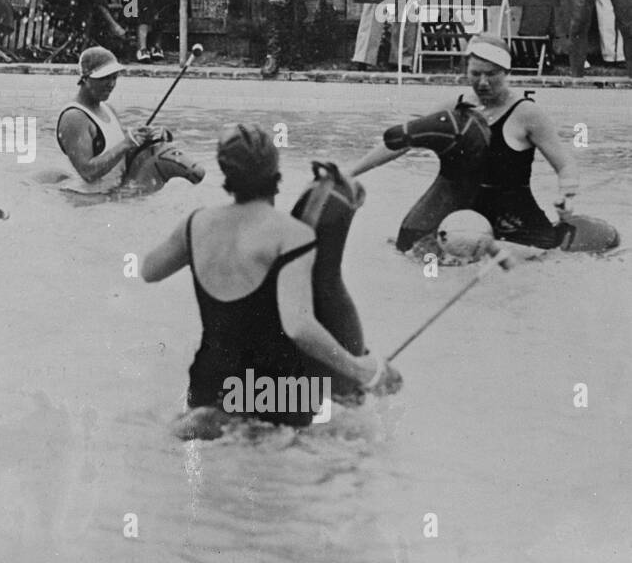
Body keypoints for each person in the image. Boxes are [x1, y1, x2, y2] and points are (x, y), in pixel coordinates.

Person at [143, 124, 400, 439]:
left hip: (208, 384)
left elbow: (148, 270)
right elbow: (299, 326)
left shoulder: (195, 223)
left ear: (226, 173)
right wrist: (365, 371)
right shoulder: (292, 234)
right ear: (275, 173)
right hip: (276, 393)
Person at [347, 34, 578, 250]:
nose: (483, 82)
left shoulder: (527, 113)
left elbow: (565, 164)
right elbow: (403, 142)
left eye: (492, 74)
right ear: (466, 70)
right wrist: (350, 173)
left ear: (506, 72)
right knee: (408, 251)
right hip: (461, 218)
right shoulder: (453, 107)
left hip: (513, 223)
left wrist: (566, 196)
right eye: (476, 74)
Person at [55, 46, 165, 193]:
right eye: (104, 78)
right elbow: (88, 173)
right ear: (85, 78)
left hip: (110, 196)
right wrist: (127, 143)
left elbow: (119, 157)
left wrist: (145, 140)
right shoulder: (74, 117)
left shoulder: (108, 109)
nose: (111, 84)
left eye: (114, 77)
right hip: (83, 201)